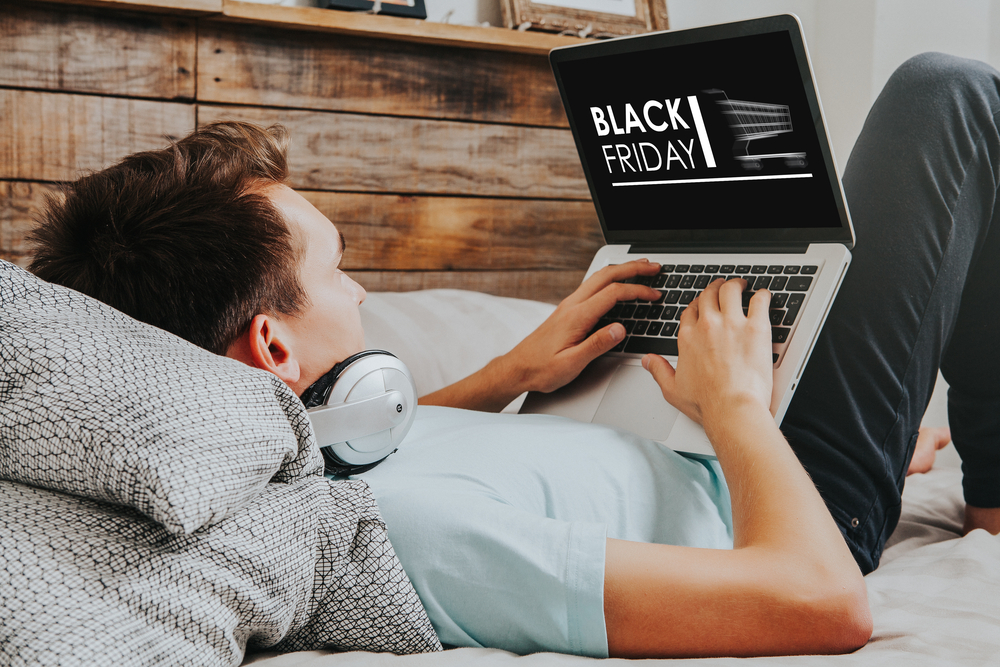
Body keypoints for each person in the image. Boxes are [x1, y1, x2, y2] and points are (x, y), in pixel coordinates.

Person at [26, 52, 1000, 658]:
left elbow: (380, 448)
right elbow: (820, 604)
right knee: (945, 99)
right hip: (785, 498)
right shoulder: (412, 533)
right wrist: (739, 407)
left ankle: (924, 434)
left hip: (701, 423)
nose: (363, 292)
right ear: (273, 343)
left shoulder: (283, 458)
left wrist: (516, 372)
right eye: (339, 270)